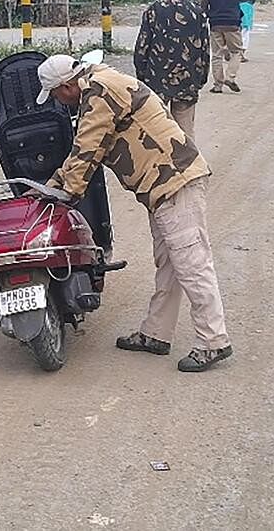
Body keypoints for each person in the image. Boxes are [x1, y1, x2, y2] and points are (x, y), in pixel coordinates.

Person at [35, 55, 233, 372]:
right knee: (170, 262)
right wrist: (48, 187)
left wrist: (65, 193)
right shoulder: (98, 84)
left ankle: (213, 341)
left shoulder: (99, 92)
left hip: (175, 180)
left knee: (192, 263)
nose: (59, 101)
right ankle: (156, 333)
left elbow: (88, 148)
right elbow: (82, 151)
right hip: (162, 185)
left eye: (57, 94)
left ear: (67, 86)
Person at [132, 0, 209, 139]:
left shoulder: (154, 10)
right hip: (187, 79)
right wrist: (200, 79)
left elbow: (142, 46)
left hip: (156, 79)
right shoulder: (198, 12)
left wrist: (141, 76)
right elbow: (204, 49)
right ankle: (187, 164)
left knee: (154, 128)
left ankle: (157, 165)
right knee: (184, 131)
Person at [200, 0, 250, 94]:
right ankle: (230, 77)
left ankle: (217, 85)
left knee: (217, 55)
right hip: (233, 23)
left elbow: (203, 5)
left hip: (215, 23)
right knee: (237, 51)